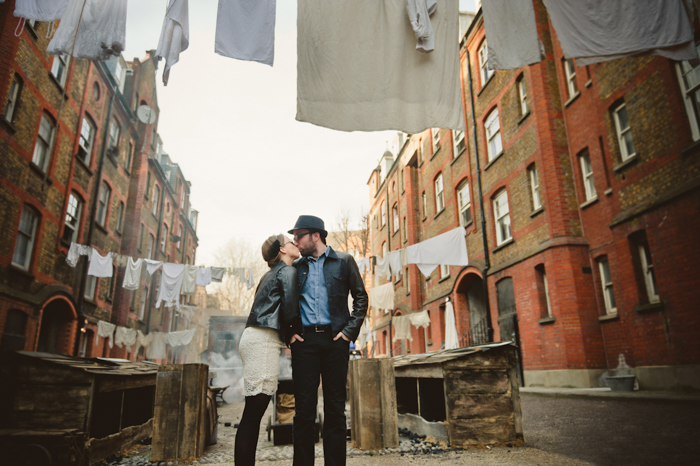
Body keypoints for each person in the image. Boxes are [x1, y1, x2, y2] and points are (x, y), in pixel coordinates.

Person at [287, 215, 368, 466]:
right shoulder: (295, 268)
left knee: (335, 409)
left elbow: (361, 299)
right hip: (305, 343)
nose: (295, 241)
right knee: (303, 412)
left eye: (299, 235)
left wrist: (347, 334)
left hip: (335, 341)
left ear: (316, 235)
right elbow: (283, 303)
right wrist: (289, 333)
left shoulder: (344, 261)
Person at [234, 234, 303, 466]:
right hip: (262, 340)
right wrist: (294, 332)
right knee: (253, 415)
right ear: (283, 250)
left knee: (252, 413)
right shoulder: (287, 271)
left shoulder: (268, 274)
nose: (295, 243)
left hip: (254, 337)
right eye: (290, 242)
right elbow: (291, 310)